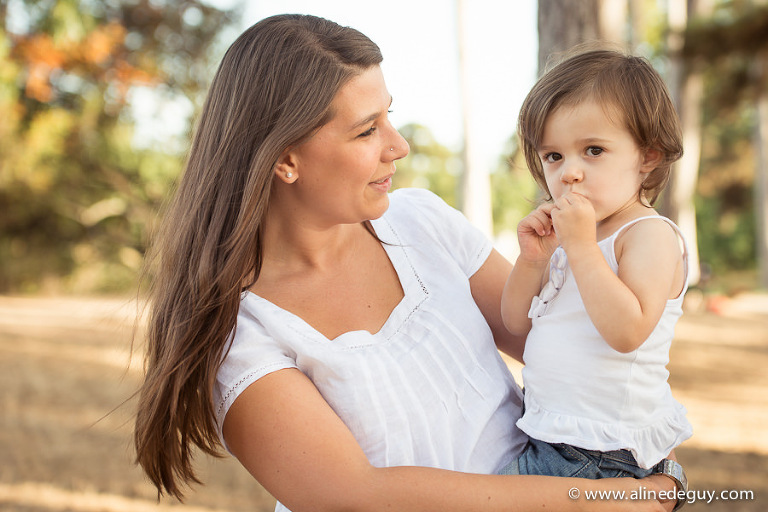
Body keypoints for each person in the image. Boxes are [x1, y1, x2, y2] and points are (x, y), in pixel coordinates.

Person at [134, 15, 677, 512]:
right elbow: (355, 497)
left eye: (389, 116)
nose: (399, 146)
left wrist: (636, 456)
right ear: (284, 159)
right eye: (367, 130)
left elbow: (559, 339)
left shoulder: (421, 222)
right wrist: (612, 499)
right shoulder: (241, 335)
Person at [501, 47, 693, 488]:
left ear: (648, 156)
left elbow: (627, 332)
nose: (569, 173)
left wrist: (582, 248)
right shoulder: (573, 240)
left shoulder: (648, 234)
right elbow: (514, 323)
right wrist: (533, 260)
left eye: (593, 150)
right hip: (551, 434)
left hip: (602, 454)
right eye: (553, 156)